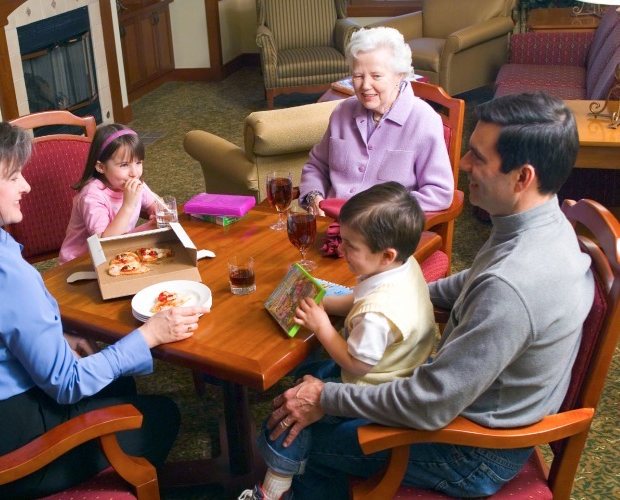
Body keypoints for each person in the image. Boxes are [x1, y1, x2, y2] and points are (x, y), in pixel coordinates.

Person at [264, 91, 595, 499]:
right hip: (468, 401)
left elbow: (431, 402)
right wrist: (382, 296)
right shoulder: (536, 227)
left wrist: (324, 399)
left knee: (304, 437)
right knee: (313, 398)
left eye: (477, 156)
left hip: (471, 451)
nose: (463, 163)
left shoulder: (514, 284)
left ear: (522, 177)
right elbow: (464, 286)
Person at [0, 112, 209, 499]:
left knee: (121, 381)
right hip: (1, 453)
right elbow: (68, 384)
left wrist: (56, 334)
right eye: (14, 176)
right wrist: (148, 335)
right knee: (161, 416)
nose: (27, 186)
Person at [241, 182, 438, 500]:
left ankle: (275, 488)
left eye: (350, 246)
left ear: (385, 255)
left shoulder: (378, 315)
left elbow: (356, 365)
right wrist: (320, 302)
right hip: (403, 369)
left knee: (288, 417)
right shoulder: (402, 267)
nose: (340, 249)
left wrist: (323, 328)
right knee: (311, 376)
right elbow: (356, 298)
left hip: (372, 391)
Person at [299, 27, 454, 216]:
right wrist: (313, 196)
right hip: (329, 221)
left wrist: (383, 213)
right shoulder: (342, 111)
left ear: (399, 75)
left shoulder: (424, 120)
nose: (365, 86)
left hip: (382, 232)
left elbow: (439, 192)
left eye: (376, 76)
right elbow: (316, 166)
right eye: (357, 76)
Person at [59, 123, 162, 264]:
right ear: (101, 167)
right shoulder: (91, 197)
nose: (134, 173)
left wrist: (158, 210)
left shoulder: (132, 182)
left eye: (138, 163)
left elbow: (154, 203)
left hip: (117, 255)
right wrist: (128, 205)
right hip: (81, 263)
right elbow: (105, 243)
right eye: (124, 165)